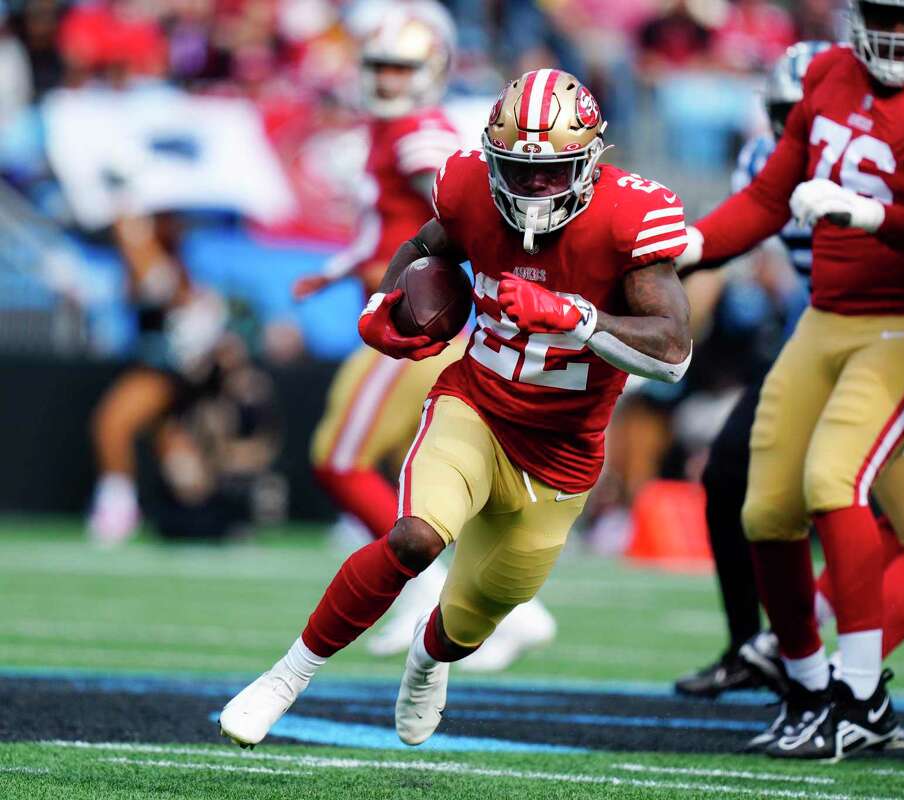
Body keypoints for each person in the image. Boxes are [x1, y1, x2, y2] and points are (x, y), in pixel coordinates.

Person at [219, 68, 693, 748]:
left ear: (588, 161)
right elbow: (424, 245)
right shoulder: (468, 184)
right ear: (492, 158)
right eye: (517, 172)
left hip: (561, 459)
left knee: (470, 618)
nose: (531, 189)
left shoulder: (631, 218)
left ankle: (425, 662)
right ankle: (287, 676)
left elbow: (673, 353)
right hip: (476, 406)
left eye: (550, 173)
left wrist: (579, 318)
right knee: (414, 537)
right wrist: (387, 302)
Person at [674, 0, 904, 760]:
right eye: (887, 13)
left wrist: (867, 212)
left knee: (833, 482)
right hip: (828, 314)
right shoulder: (823, 74)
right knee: (766, 509)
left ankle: (862, 694)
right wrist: (688, 245)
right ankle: (809, 691)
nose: (900, 32)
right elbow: (766, 199)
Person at [291, 5, 554, 671]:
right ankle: (486, 604)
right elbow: (388, 224)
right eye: (378, 66)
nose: (385, 78)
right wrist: (338, 269)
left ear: (432, 68)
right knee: (398, 475)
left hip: (414, 335)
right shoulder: (393, 127)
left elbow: (462, 207)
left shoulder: (419, 133)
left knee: (341, 457)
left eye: (400, 67)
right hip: (403, 328)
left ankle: (439, 590)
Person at [87, 212, 227, 545]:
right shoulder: (163, 261)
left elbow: (158, 286)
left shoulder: (166, 263)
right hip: (159, 364)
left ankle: (118, 508)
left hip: (164, 368)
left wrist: (134, 238)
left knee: (112, 423)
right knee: (168, 440)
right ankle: (202, 510)